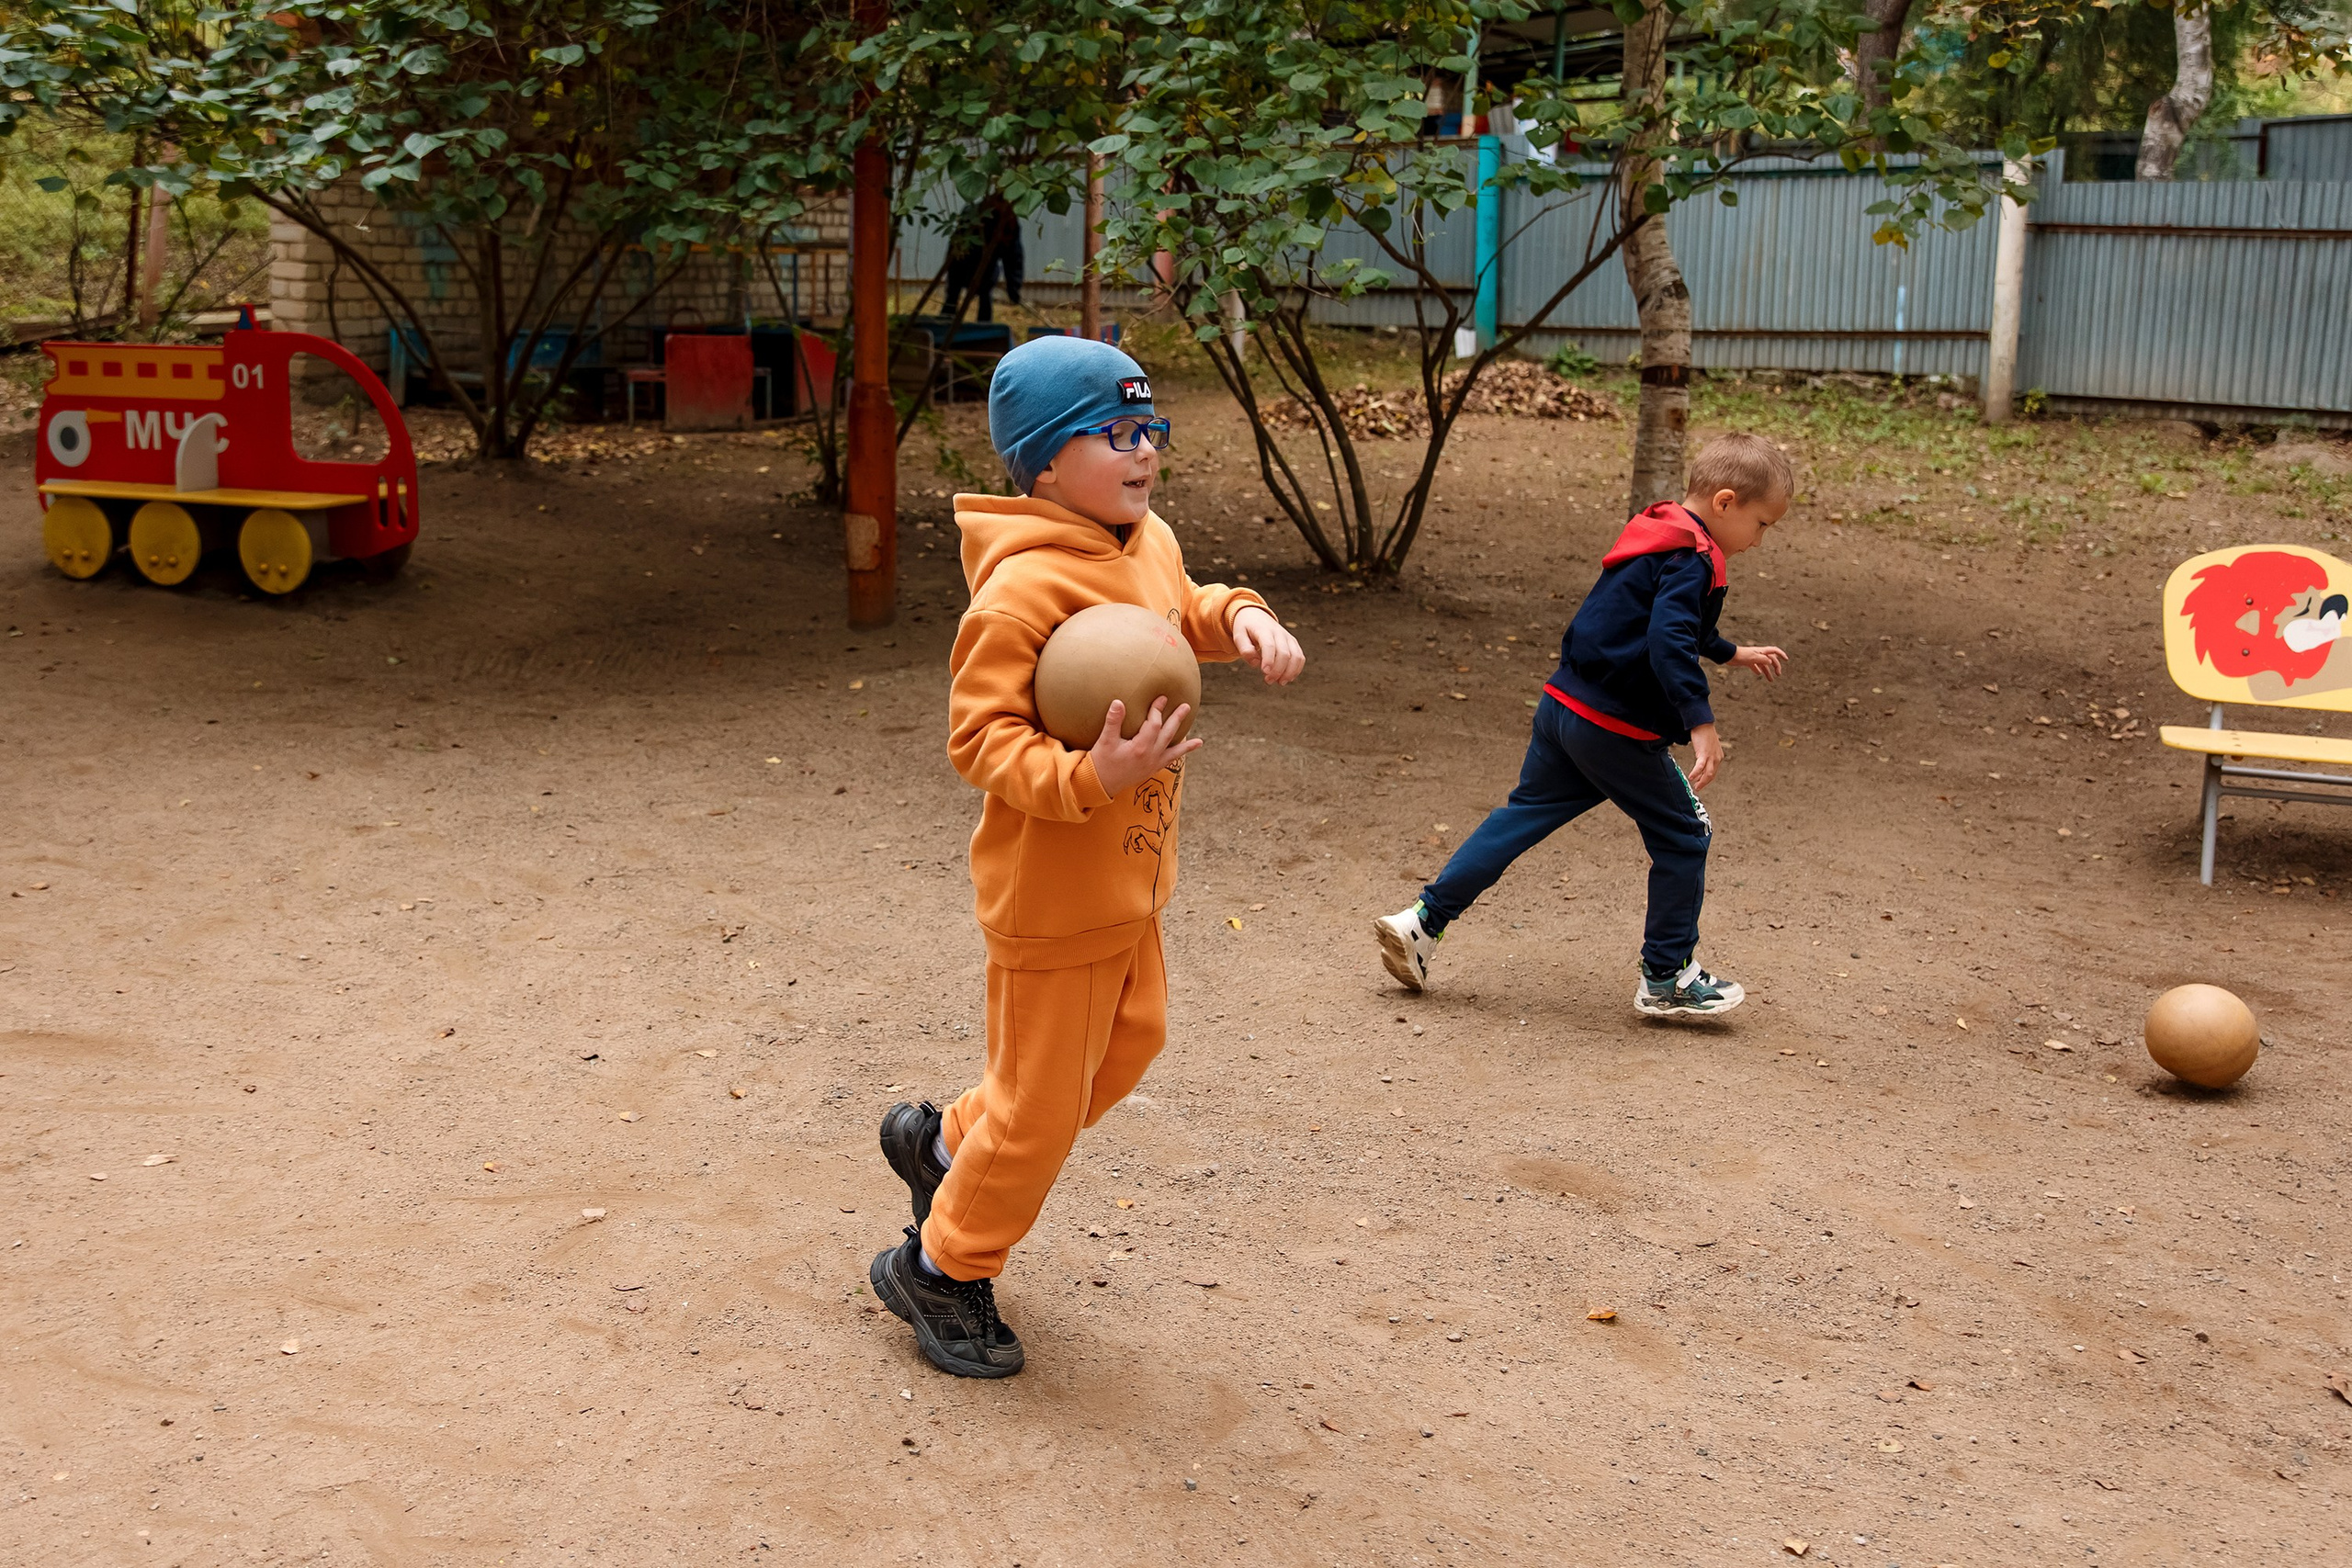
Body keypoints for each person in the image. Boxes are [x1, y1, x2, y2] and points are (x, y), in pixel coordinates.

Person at [869, 335, 1306, 1378]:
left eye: (1149, 428)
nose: (1144, 449)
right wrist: (1088, 776)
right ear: (1045, 464)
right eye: (1115, 433)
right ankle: (940, 1267)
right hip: (1052, 897)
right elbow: (979, 741)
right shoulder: (1018, 593)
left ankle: (945, 1145)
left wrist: (1242, 616)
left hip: (1131, 881)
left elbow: (1181, 607)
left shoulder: (1145, 540)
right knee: (1041, 1109)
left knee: (1127, 1050)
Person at [1373, 433, 1792, 1018]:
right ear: (1725, 502)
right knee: (1685, 833)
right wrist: (1700, 721)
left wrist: (1729, 652)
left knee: (1523, 815)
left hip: (1563, 706)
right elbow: (1669, 639)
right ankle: (1667, 976)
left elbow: (1652, 617)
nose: (1760, 539)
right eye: (1762, 524)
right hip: (1615, 728)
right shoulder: (1695, 558)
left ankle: (1422, 922)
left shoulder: (1658, 530)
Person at [942, 195, 1024, 325]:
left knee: (985, 297)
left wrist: (1013, 289)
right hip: (961, 264)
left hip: (987, 269)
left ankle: (984, 328)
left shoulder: (1009, 221)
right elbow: (956, 244)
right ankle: (945, 326)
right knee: (952, 296)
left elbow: (1013, 256)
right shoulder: (973, 213)